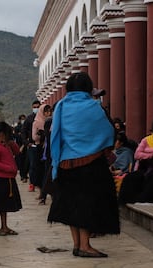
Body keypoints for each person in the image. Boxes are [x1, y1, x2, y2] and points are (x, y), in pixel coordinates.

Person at [48, 72, 120, 258]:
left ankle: (77, 244)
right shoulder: (93, 107)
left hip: (66, 163)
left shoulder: (61, 107)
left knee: (72, 205)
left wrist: (56, 164)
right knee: (87, 205)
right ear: (88, 88)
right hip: (90, 164)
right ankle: (85, 245)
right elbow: (108, 133)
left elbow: (55, 136)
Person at [0, 122, 22, 236]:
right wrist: (10, 168)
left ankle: (4, 226)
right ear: (1, 134)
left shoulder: (6, 145)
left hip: (9, 179)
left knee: (5, 205)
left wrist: (11, 143)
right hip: (0, 179)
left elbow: (17, 152)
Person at [32, 104, 52, 202]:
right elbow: (34, 137)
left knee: (48, 171)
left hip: (49, 149)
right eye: (46, 112)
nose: (48, 113)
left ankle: (48, 193)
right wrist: (42, 135)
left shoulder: (51, 122)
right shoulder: (37, 122)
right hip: (40, 148)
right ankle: (42, 193)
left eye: (49, 111)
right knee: (40, 172)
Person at [21, 100, 41, 192]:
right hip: (32, 145)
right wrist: (26, 143)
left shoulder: (44, 118)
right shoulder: (29, 118)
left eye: (38, 107)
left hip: (42, 145)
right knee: (32, 165)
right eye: (34, 107)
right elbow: (23, 132)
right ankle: (32, 183)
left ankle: (39, 183)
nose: (36, 108)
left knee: (41, 165)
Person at [14, 114, 27, 183]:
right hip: (19, 147)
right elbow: (17, 137)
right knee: (21, 162)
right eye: (22, 119)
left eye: (24, 119)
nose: (23, 120)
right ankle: (23, 176)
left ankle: (25, 175)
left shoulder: (26, 127)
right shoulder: (17, 128)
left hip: (26, 146)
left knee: (26, 162)